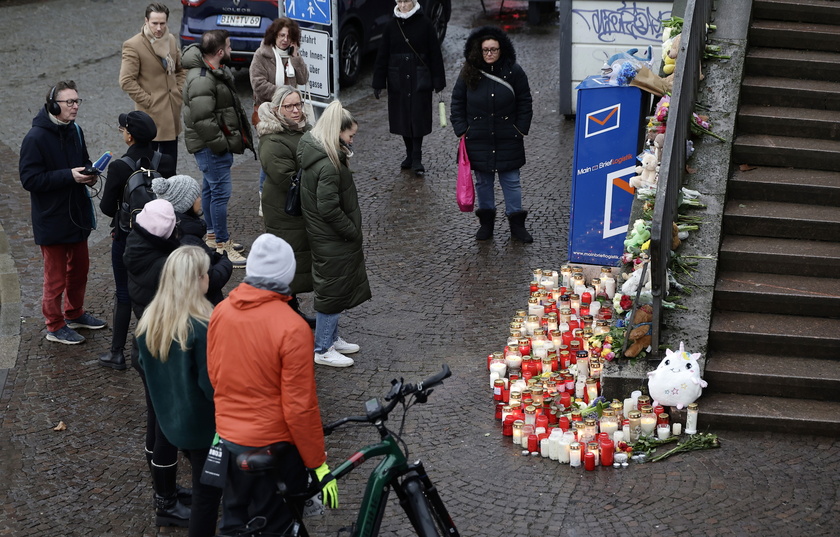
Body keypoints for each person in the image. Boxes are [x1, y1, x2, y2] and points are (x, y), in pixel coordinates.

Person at [207, 234, 338, 535]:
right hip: (273, 451)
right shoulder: (292, 327)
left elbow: (216, 375)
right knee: (277, 526)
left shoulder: (221, 312)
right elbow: (299, 407)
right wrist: (317, 462)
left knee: (234, 523)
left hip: (229, 442)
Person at [136, 246, 223, 537]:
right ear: (197, 279)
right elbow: (212, 386)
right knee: (207, 499)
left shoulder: (149, 321)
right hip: (201, 429)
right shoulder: (201, 328)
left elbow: (143, 367)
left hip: (171, 424)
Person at [19, 80, 106, 345]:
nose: (76, 106)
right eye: (70, 102)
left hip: (76, 213)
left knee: (80, 270)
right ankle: (54, 325)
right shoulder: (34, 138)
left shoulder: (75, 130)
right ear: (53, 105)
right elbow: (30, 180)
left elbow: (84, 160)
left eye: (77, 101)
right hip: (52, 218)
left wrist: (89, 172)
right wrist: (68, 176)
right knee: (55, 278)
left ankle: (75, 313)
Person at [123, 199, 191, 528]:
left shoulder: (137, 245)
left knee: (155, 418)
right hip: (161, 349)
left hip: (146, 343)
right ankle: (165, 500)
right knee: (166, 426)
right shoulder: (163, 265)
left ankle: (164, 489)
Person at [99, 110, 175, 370]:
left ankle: (116, 353)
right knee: (155, 292)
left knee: (124, 294)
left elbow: (108, 208)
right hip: (158, 237)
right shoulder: (164, 161)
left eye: (123, 130)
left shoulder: (119, 166)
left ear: (129, 136)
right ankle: (158, 347)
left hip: (126, 238)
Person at [297, 101, 370, 368]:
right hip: (332, 237)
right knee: (331, 290)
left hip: (325, 235)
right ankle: (324, 347)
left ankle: (332, 337)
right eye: (350, 135)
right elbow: (328, 207)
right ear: (337, 133)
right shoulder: (328, 165)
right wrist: (350, 231)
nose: (352, 140)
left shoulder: (320, 154)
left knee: (335, 287)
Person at [450, 26, 534, 243]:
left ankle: (517, 226)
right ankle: (486, 225)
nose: (489, 54)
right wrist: (462, 129)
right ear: (479, 50)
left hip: (508, 136)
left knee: (512, 181)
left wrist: (520, 129)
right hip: (478, 138)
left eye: (493, 49)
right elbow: (457, 102)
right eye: (485, 49)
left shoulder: (514, 71)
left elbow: (525, 100)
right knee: (483, 183)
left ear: (501, 49)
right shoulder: (468, 72)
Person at [182, 29, 254, 267]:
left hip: (210, 147)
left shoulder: (211, 72)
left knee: (211, 191)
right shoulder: (203, 78)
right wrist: (221, 146)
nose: (232, 50)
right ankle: (222, 246)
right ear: (220, 52)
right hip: (211, 148)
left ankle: (213, 237)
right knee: (220, 194)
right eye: (230, 47)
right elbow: (203, 119)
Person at [256, 86, 315, 327]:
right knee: (288, 264)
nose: (295, 110)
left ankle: (291, 309)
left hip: (298, 210)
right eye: (289, 106)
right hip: (284, 211)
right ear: (277, 109)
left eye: (298, 104)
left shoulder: (304, 131)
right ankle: (284, 312)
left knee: (298, 261)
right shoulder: (272, 139)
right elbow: (286, 178)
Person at [372, 0, 446, 176]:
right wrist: (378, 82)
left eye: (406, 1)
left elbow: (435, 53)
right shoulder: (391, 25)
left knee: (417, 117)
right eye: (400, 1)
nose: (403, 5)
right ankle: (409, 154)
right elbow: (382, 54)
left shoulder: (426, 24)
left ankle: (417, 156)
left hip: (420, 78)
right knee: (402, 117)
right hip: (398, 78)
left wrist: (438, 81)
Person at [250, 17, 309, 212]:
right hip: (269, 114)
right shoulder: (262, 55)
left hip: (290, 114)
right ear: (274, 36)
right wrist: (283, 95)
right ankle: (262, 196)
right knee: (270, 155)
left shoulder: (291, 56)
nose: (284, 39)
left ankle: (285, 192)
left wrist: (296, 58)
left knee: (287, 153)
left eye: (289, 36)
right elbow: (258, 84)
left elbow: (303, 78)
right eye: (281, 35)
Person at [119, 2, 186, 163]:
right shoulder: (133, 45)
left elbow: (182, 68)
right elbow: (126, 81)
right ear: (146, 21)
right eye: (154, 23)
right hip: (150, 119)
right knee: (148, 168)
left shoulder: (170, 39)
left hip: (171, 115)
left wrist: (179, 91)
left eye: (162, 23)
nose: (158, 28)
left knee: (170, 166)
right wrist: (149, 101)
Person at [151, 174, 233, 305]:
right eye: (196, 196)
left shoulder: (171, 230)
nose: (200, 199)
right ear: (186, 203)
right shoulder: (189, 239)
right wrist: (225, 263)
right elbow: (208, 280)